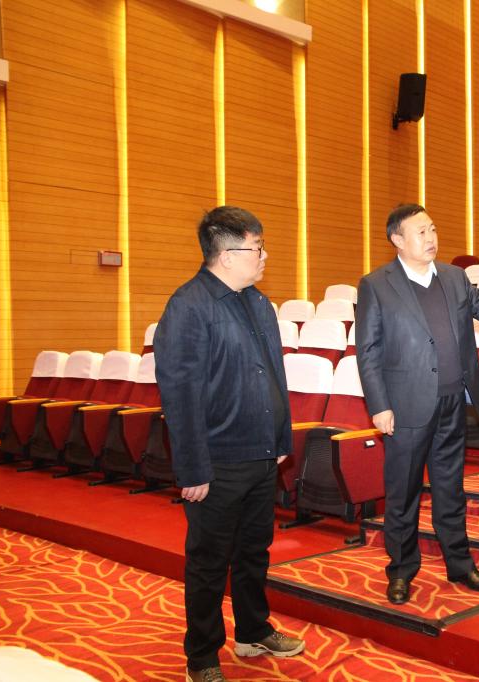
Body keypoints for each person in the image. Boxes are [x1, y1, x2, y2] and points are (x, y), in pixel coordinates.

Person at [154, 206, 305, 682]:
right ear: (226, 254)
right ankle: (201, 656)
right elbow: (179, 393)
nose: (264, 256)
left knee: (254, 551)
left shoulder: (258, 302)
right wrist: (192, 468)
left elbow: (275, 377)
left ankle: (253, 630)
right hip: (217, 462)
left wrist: (281, 437)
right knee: (208, 562)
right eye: (257, 247)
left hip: (262, 454)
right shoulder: (189, 306)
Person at [355, 203, 479, 605]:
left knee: (450, 489)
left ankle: (460, 564)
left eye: (433, 229)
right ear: (397, 239)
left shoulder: (454, 277)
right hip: (405, 406)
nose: (431, 238)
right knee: (403, 493)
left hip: (453, 402)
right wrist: (379, 405)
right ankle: (401, 570)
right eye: (421, 232)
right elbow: (368, 351)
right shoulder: (376, 285)